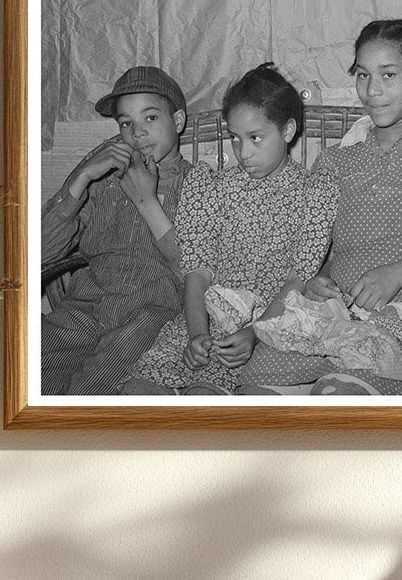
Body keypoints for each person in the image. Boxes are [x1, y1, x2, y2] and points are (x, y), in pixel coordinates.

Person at [241, 20, 402, 396]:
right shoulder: (336, 159)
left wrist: (399, 273)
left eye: (388, 74)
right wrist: (319, 281)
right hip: (337, 313)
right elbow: (322, 251)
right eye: (362, 75)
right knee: (254, 392)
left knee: (338, 396)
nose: (372, 90)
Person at [120, 64, 337, 396]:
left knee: (205, 402)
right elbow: (197, 272)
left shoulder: (316, 193)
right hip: (201, 321)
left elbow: (298, 279)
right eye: (235, 138)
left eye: (255, 138)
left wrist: (255, 333)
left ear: (288, 130)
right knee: (139, 394)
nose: (243, 152)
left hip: (267, 325)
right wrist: (196, 333)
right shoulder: (211, 187)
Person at [40, 65, 191, 396]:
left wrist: (147, 200)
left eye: (150, 118)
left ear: (177, 122)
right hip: (84, 305)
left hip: (149, 312)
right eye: (126, 124)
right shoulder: (104, 181)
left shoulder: (198, 185)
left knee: (93, 388)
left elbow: (197, 269)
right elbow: (36, 255)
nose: (137, 133)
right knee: (28, 364)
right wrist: (81, 178)